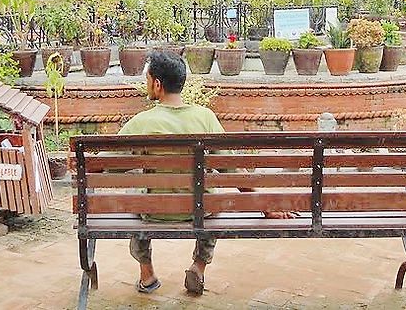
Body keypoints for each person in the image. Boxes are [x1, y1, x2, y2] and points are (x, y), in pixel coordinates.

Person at [118, 52, 294, 296]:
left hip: (154, 211)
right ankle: (199, 267)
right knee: (213, 196)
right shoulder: (206, 118)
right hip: (199, 209)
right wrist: (265, 205)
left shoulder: (140, 123)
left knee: (135, 194)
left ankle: (146, 273)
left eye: (147, 79)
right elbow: (231, 170)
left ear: (157, 84)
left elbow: (107, 166)